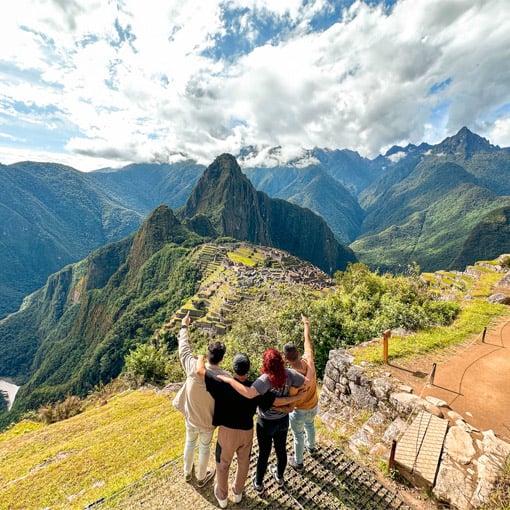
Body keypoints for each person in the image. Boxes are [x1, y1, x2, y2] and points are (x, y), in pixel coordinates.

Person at [196, 353, 302, 508]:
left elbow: (200, 371)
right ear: (248, 369)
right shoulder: (255, 388)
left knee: (223, 463)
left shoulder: (221, 383)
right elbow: (275, 401)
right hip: (247, 431)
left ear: (233, 368)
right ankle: (238, 493)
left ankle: (222, 496)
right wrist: (293, 401)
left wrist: (200, 357)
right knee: (243, 462)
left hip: (227, 432)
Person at [218, 348, 306, 493]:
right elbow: (306, 382)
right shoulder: (289, 374)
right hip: (283, 421)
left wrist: (227, 379)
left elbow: (249, 393)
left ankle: (258, 483)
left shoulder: (264, 380)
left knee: (264, 454)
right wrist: (294, 400)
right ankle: (279, 476)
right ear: (281, 361)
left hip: (266, 422)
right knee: (281, 450)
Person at [172, 311, 229, 487]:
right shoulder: (225, 378)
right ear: (221, 359)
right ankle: (201, 477)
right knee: (204, 447)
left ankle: (187, 472)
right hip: (208, 421)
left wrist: (184, 326)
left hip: (191, 417)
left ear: (207, 354)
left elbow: (184, 349)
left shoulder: (193, 367)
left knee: (189, 442)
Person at [283, 314, 319, 471]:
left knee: (298, 435)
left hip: (300, 410)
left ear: (286, 358)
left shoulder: (292, 377)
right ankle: (311, 447)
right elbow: (307, 340)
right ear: (298, 352)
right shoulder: (308, 359)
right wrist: (306, 323)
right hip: (314, 405)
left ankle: (298, 462)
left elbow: (292, 399)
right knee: (310, 425)